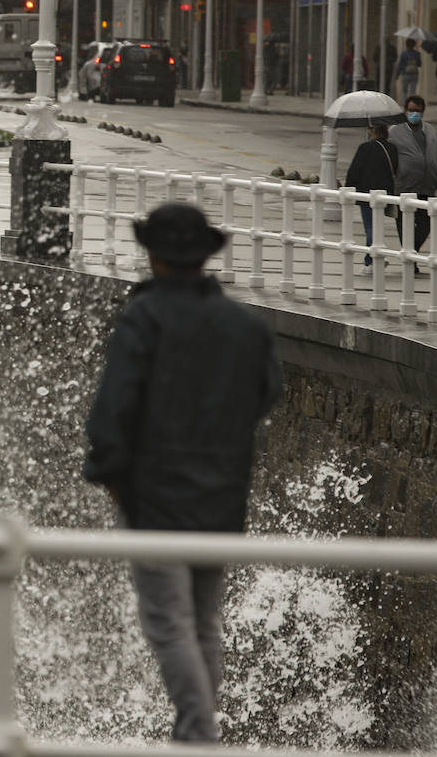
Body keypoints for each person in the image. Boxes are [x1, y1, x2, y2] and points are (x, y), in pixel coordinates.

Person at [84, 202, 282, 744]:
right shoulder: (245, 325)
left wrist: (111, 475)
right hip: (221, 495)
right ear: (203, 258)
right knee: (203, 624)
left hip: (155, 498)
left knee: (168, 624)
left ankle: (197, 734)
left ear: (154, 256)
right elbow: (268, 392)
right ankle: (197, 731)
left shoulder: (143, 318)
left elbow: (112, 411)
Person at [388, 95, 437, 272]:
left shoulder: (430, 131)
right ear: (405, 110)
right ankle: (410, 261)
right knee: (404, 225)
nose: (414, 114)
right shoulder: (395, 131)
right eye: (411, 110)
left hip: (427, 186)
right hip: (405, 187)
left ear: (423, 112)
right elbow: (389, 156)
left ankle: (411, 256)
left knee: (426, 224)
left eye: (418, 111)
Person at [345, 123, 399, 270]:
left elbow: (354, 170)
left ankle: (375, 257)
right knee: (377, 225)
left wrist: (347, 188)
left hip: (366, 193)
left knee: (370, 226)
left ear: (372, 131)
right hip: (385, 193)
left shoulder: (365, 148)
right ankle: (371, 258)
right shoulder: (392, 148)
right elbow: (395, 169)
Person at [394, 38, 422, 103]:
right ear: (414, 45)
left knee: (404, 91)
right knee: (412, 91)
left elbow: (400, 65)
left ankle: (405, 104)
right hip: (415, 74)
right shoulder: (417, 54)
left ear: (406, 45)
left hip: (405, 74)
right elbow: (419, 64)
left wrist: (397, 75)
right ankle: (412, 103)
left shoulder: (403, 54)